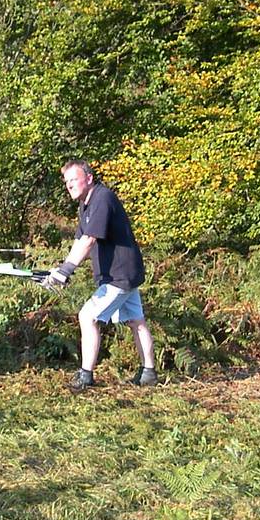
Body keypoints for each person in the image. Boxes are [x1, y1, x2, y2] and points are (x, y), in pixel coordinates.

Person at [45, 160, 158, 391]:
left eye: (73, 180)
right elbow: (79, 240)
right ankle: (149, 373)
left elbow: (89, 240)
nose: (69, 185)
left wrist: (66, 271)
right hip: (121, 273)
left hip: (120, 274)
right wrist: (61, 269)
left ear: (88, 178)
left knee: (88, 317)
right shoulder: (85, 205)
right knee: (136, 321)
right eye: (66, 182)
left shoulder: (102, 198)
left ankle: (85, 376)